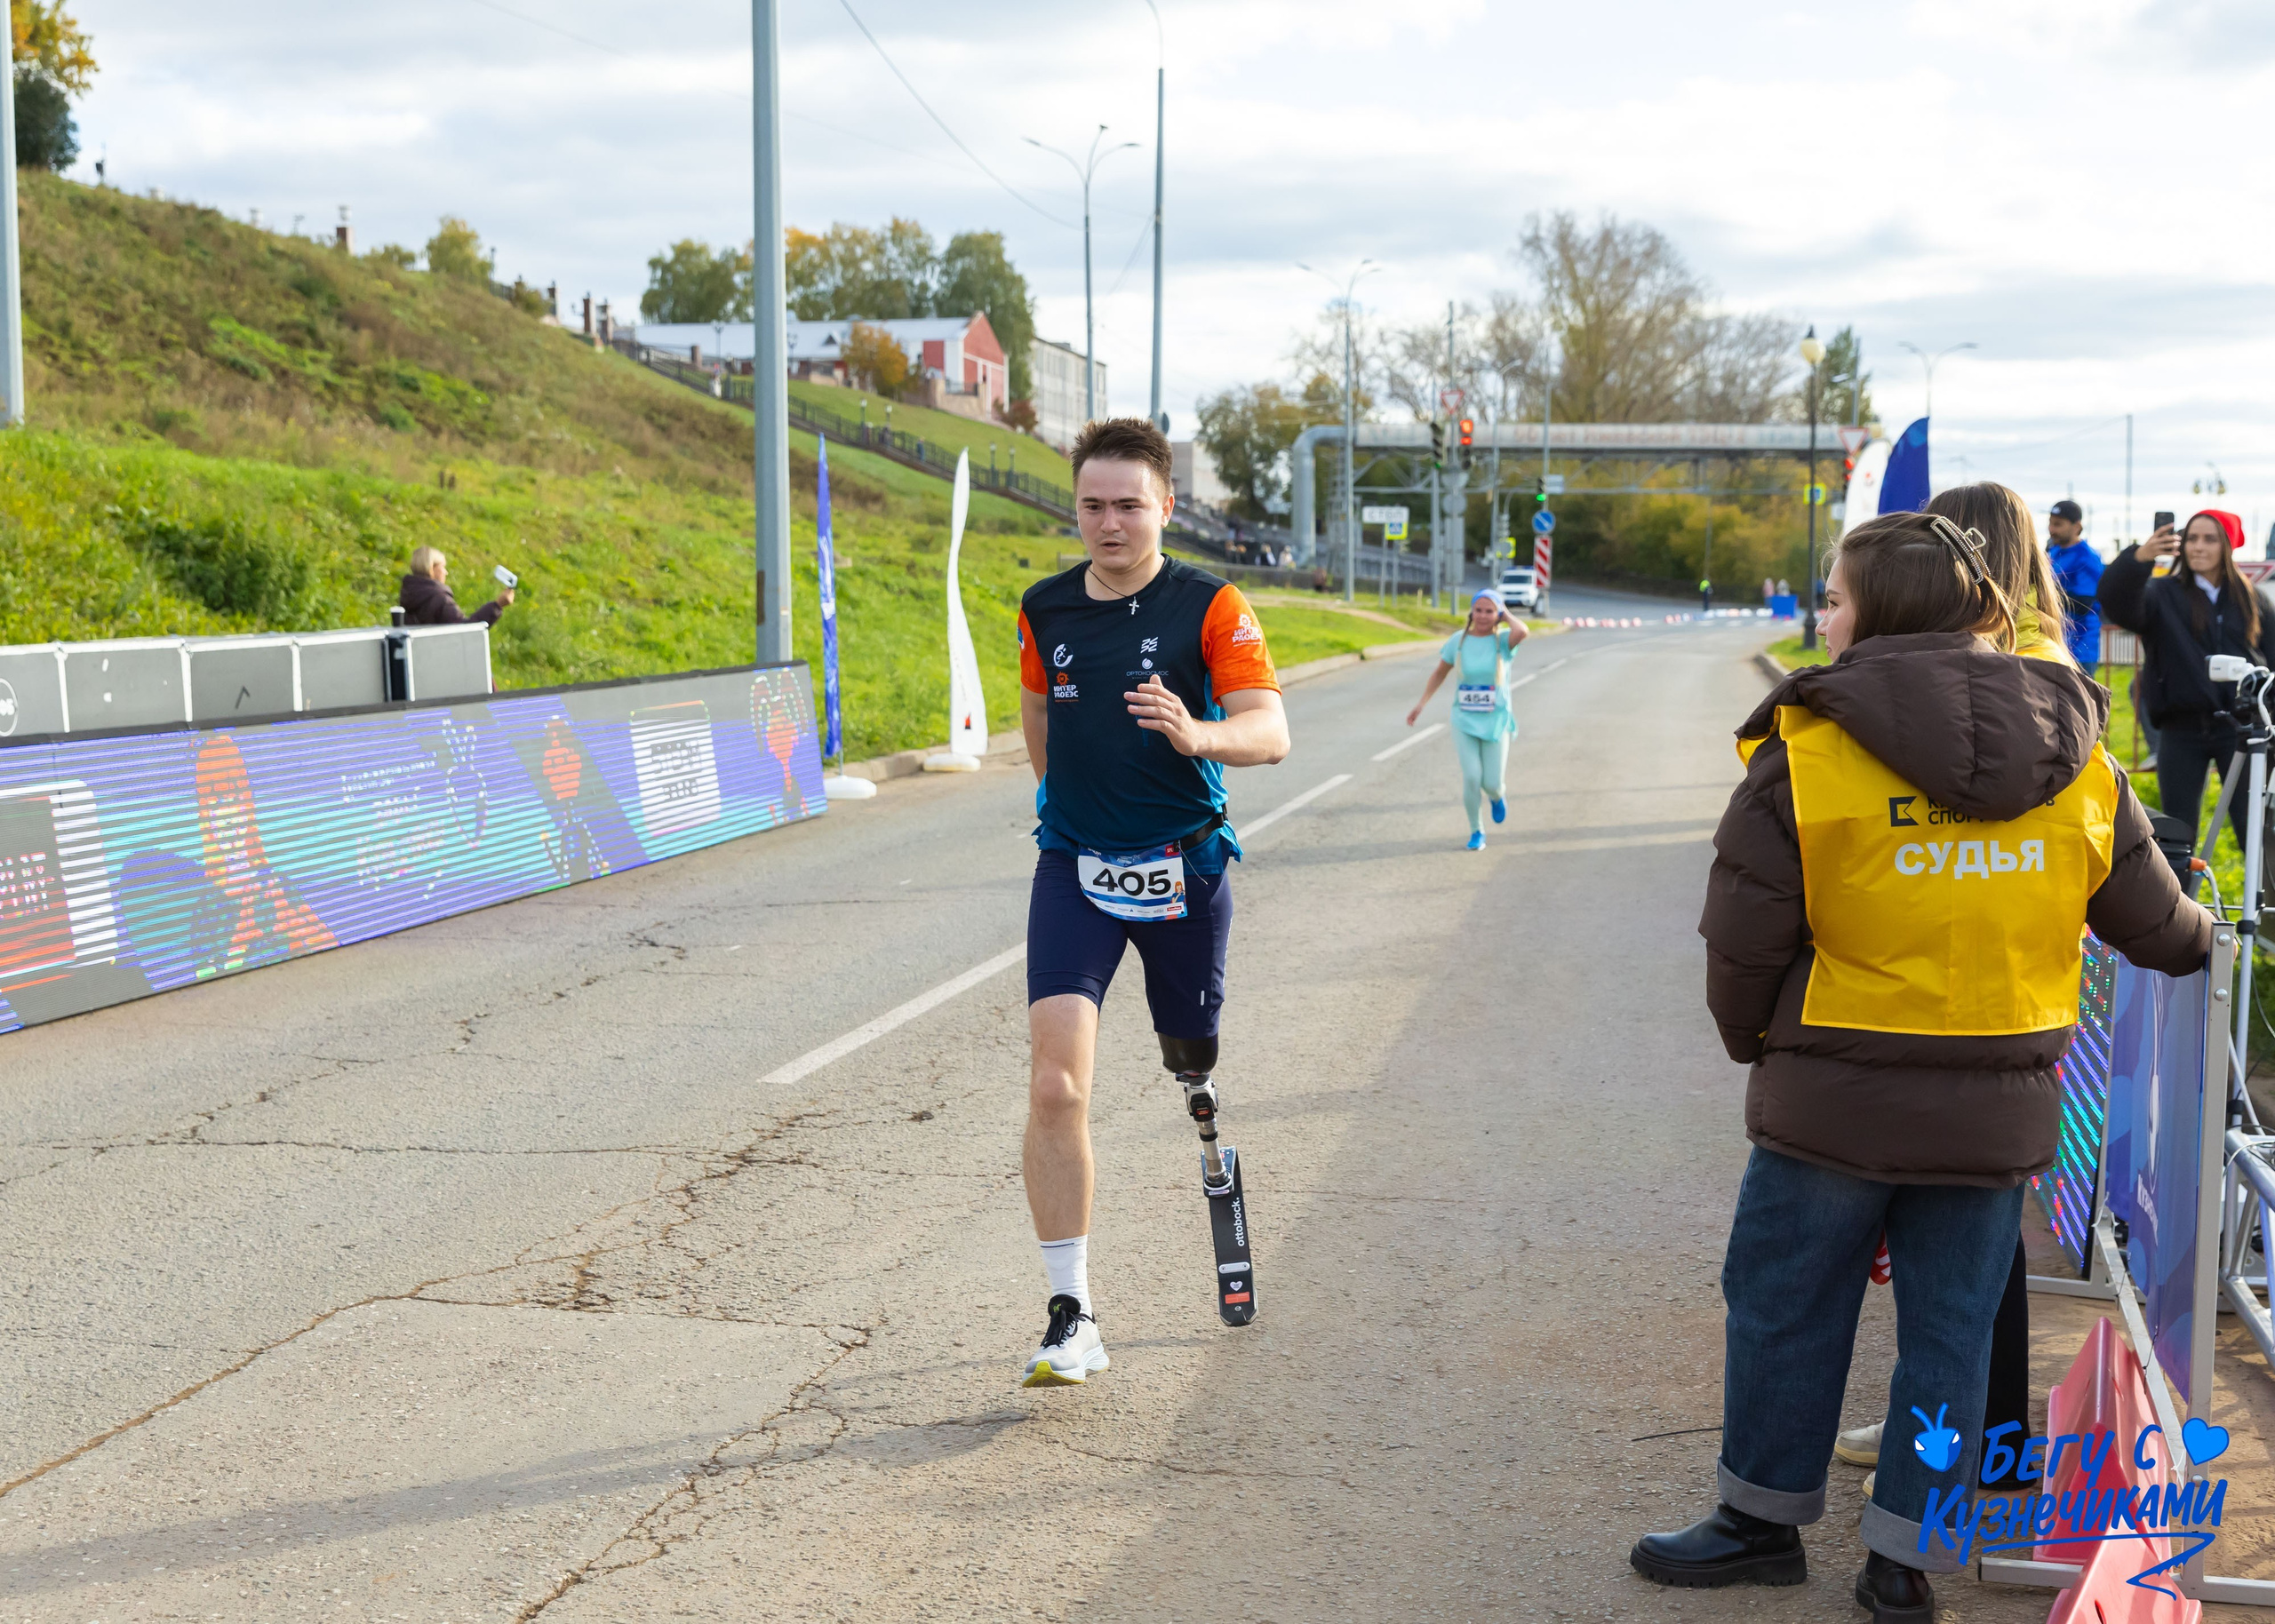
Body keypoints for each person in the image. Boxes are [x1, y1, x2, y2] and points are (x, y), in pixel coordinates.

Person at [1630, 510, 2209, 1620]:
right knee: (1947, 1336)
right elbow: (2152, 919)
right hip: (1995, 1115)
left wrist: (1758, 1043)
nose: (1825, 617)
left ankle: (1756, 1523)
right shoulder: (2075, 753)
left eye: (1836, 599)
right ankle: (1902, 1559)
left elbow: (1741, 938)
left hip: (1832, 1102)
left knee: (1785, 1304)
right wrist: (2204, 943)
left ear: (1879, 612)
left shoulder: (1807, 750)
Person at [1013, 417, 1291, 1388]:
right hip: (1076, 868)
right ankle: (1071, 1314)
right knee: (1056, 1084)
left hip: (1185, 868)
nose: (1109, 522)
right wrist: (1062, 804)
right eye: (1091, 504)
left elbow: (1271, 730)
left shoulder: (1210, 606)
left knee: (1190, 1056)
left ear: (1166, 505)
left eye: (1129, 504)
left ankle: (1202, 1101)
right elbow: (1040, 712)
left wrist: (1195, 733)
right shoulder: (1044, 608)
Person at [2096, 508, 2275, 856]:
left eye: (2209, 539)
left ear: (2228, 545)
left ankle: (2263, 909)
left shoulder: (2254, 600)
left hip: (2242, 731)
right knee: (2177, 835)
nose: (2198, 547)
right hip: (2180, 730)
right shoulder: (2161, 594)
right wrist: (2138, 558)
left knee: (2254, 829)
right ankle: (2179, 909)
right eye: (2192, 538)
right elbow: (2116, 603)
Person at [1402, 591, 1529, 849]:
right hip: (1464, 720)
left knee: (1492, 783)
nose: (1483, 616)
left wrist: (1505, 614)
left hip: (1496, 721)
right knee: (1472, 777)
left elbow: (1523, 631)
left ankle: (1497, 796)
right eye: (1478, 610)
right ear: (1471, 613)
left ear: (1498, 615)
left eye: (1489, 611)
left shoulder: (1503, 641)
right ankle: (1476, 831)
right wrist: (1421, 704)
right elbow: (1439, 673)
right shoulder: (1458, 641)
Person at [2046, 498, 2104, 672]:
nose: (2052, 530)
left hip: (2080, 647)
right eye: (2050, 523)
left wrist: (2045, 593)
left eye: (2058, 524)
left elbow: (2083, 604)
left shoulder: (2087, 557)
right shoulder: (2054, 552)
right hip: (2055, 644)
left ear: (2076, 526)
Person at [399, 545, 515, 625]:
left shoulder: (409, 595)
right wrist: (497, 606)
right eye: (442, 567)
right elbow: (465, 631)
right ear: (431, 568)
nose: (446, 572)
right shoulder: (439, 599)